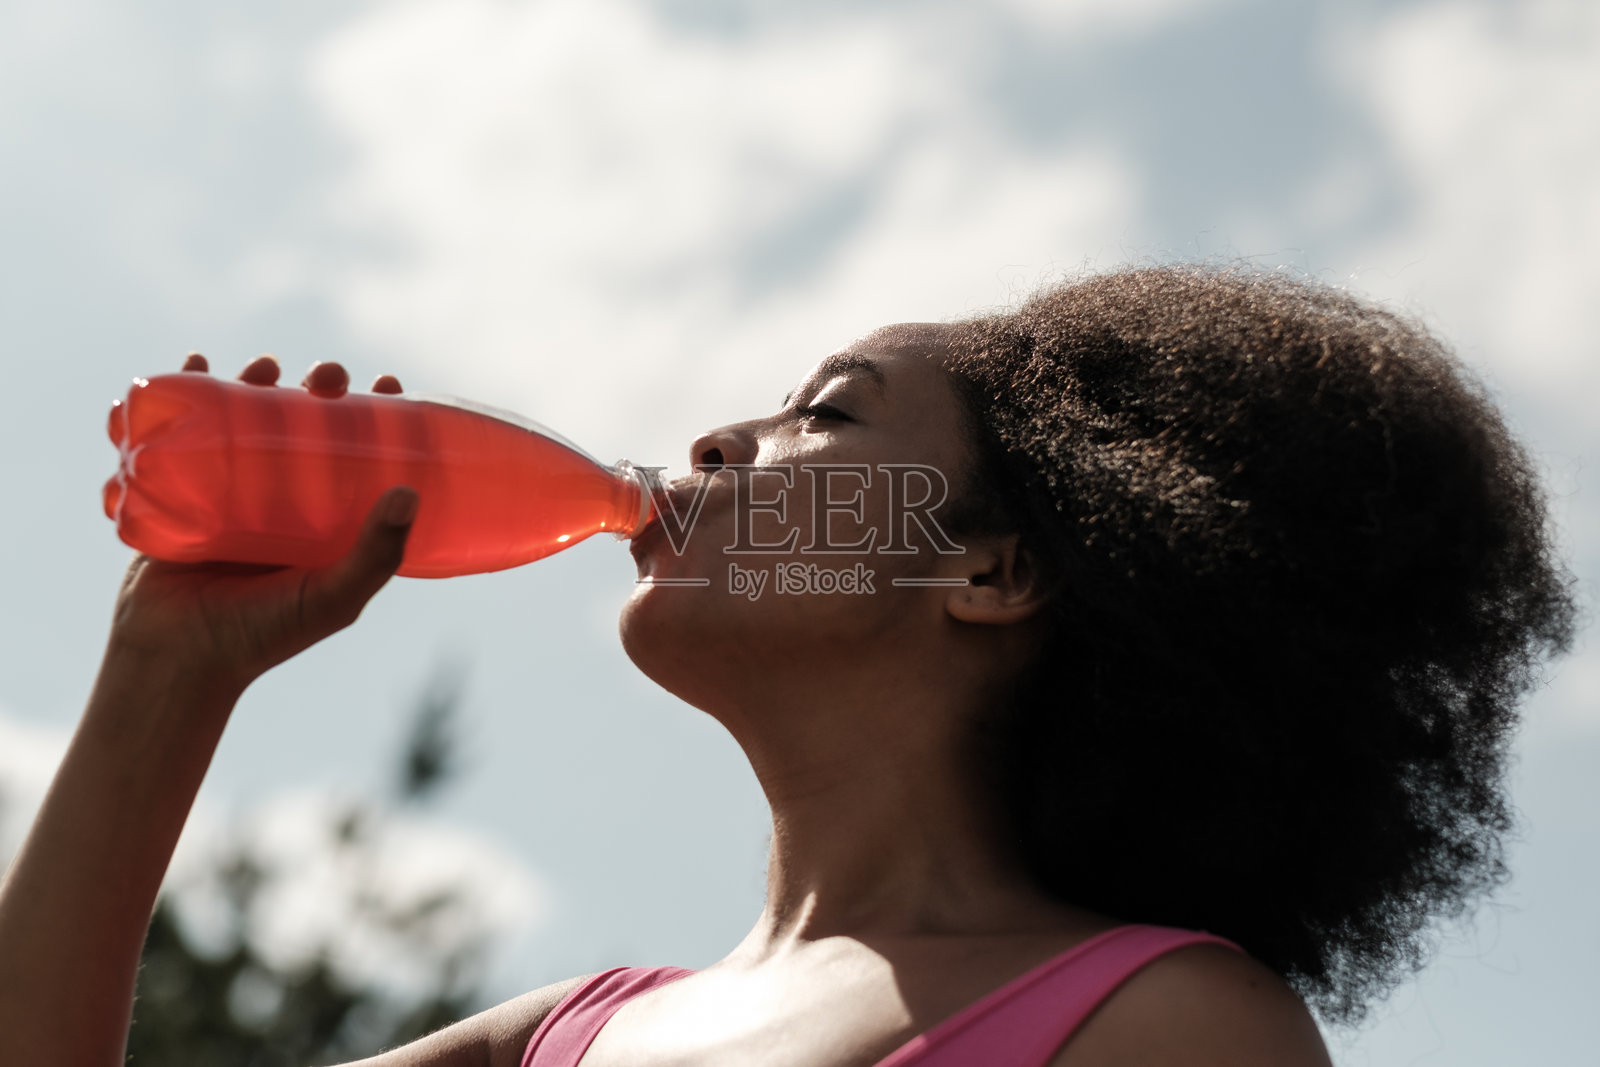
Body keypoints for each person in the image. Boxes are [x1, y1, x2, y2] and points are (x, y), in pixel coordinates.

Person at [0, 265, 1575, 1066]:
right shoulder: (570, 1032)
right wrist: (169, 676)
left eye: (827, 412)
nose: (713, 437)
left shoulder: (1166, 1026)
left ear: (992, 569)